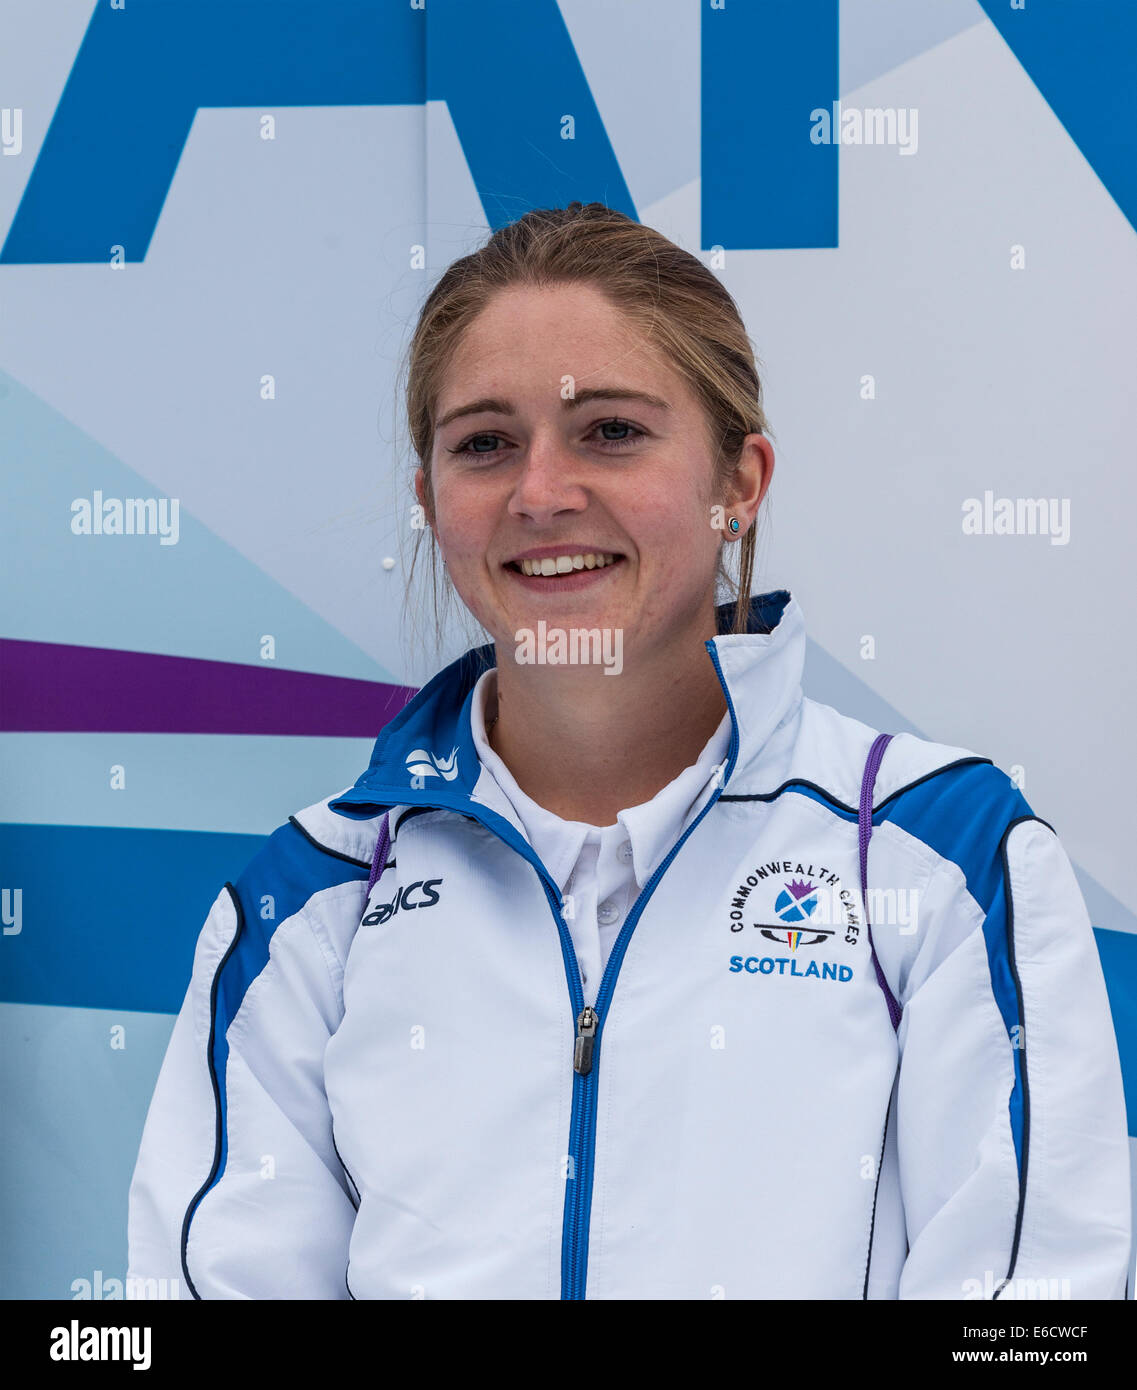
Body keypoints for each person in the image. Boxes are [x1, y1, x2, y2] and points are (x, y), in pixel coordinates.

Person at [127, 202, 1131, 1300]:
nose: (542, 493)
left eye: (610, 430)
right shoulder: (306, 900)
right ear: (431, 501)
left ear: (738, 485)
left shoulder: (941, 857)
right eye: (484, 444)